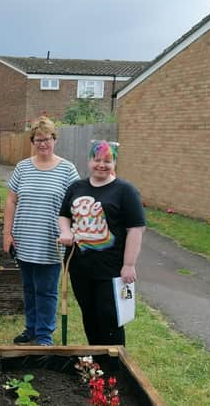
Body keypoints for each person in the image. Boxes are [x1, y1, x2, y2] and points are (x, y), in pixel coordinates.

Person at [58, 140, 146, 346]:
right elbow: (64, 215)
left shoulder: (125, 191)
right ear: (89, 160)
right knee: (89, 315)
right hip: (80, 266)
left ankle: (115, 366)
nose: (101, 165)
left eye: (107, 160)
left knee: (110, 317)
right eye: (97, 159)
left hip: (111, 269)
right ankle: (96, 366)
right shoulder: (76, 187)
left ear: (114, 162)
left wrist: (129, 264)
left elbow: (136, 229)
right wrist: (65, 231)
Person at [3, 116, 80, 346]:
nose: (43, 143)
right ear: (32, 141)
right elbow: (11, 201)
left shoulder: (67, 169)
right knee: (28, 288)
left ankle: (44, 335)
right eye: (38, 139)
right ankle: (30, 329)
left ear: (54, 139)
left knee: (47, 290)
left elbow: (77, 203)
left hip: (51, 242)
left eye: (47, 139)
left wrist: (72, 233)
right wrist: (7, 234)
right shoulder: (22, 167)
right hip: (25, 239)